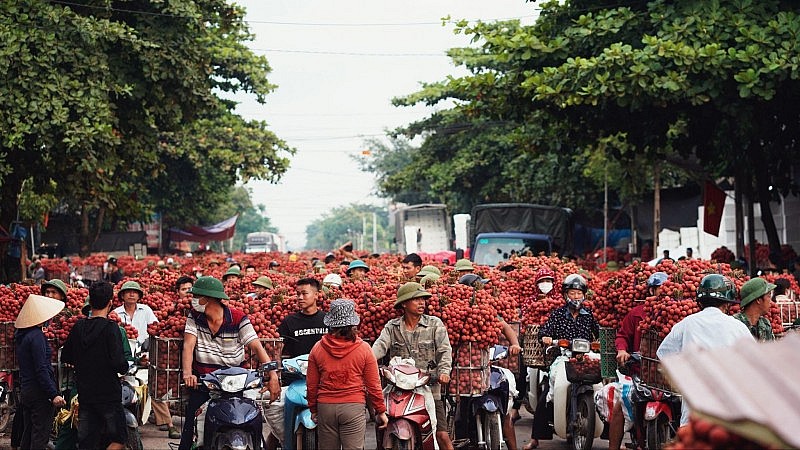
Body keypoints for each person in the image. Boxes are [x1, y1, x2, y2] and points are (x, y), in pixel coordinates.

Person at [178, 276, 280, 450]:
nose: (193, 300)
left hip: (237, 383)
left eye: (196, 297)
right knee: (191, 428)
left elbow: (256, 346)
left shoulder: (238, 319)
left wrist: (272, 374)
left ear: (207, 299)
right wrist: (188, 374)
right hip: (206, 383)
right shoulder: (194, 317)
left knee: (254, 421)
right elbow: (188, 345)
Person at [656, 274, 755, 426]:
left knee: (689, 435)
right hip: (730, 401)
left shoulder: (687, 323)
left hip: (695, 397)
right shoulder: (737, 326)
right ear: (727, 303)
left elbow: (664, 353)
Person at [372, 282, 454, 450]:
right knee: (381, 424)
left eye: (423, 299)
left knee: (441, 435)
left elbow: (445, 351)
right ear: (404, 304)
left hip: (429, 388)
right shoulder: (392, 327)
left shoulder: (434, 324)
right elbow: (378, 348)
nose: (421, 303)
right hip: (398, 390)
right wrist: (366, 360)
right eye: (416, 299)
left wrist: (444, 372)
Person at [527, 274, 599, 450]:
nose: (576, 297)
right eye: (572, 293)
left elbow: (597, 332)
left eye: (579, 293)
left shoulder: (588, 314)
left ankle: (609, 435)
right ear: (566, 294)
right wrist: (545, 337)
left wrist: (602, 341)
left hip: (585, 355)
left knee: (602, 386)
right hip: (563, 356)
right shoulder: (558, 314)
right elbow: (545, 330)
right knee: (550, 391)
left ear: (584, 295)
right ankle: (536, 438)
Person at [600, 271, 668, 450]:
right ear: (652, 291)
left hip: (669, 374)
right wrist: (622, 350)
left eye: (665, 289)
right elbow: (622, 335)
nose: (663, 293)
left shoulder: (676, 315)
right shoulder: (636, 314)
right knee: (619, 407)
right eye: (659, 290)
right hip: (639, 372)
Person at [307, 299, 388, 450]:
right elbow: (373, 385)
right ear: (353, 325)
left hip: (326, 408)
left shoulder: (317, 349)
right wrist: (381, 410)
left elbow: (311, 385)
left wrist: (313, 409)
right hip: (353, 407)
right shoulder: (364, 349)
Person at [61, 281, 130, 450]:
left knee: (87, 442)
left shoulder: (78, 327)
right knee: (119, 439)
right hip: (108, 395)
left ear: (90, 302)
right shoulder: (111, 328)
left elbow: (66, 356)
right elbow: (119, 363)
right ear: (110, 303)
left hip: (85, 394)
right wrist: (125, 367)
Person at [457, 273, 521, 450]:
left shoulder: (487, 311)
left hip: (486, 363)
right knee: (458, 404)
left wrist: (514, 344)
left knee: (505, 400)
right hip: (466, 367)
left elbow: (505, 327)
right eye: (479, 288)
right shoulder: (458, 313)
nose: (483, 291)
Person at [265, 278, 328, 450]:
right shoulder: (289, 322)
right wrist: (275, 372)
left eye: (304, 293)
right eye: (297, 294)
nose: (300, 297)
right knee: (278, 422)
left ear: (316, 295)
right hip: (295, 377)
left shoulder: (327, 320)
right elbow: (277, 350)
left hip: (324, 377)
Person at [112, 281, 179, 438]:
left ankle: (169, 424)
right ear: (122, 295)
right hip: (122, 357)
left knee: (153, 386)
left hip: (144, 354)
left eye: (135, 292)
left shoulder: (146, 310)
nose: (131, 294)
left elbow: (155, 330)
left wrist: (147, 351)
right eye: (128, 292)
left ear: (139, 296)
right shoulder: (115, 313)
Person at [14, 294, 67, 450]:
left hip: (27, 391)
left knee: (28, 433)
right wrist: (53, 394)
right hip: (39, 393)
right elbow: (41, 369)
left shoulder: (23, 336)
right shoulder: (36, 336)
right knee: (39, 436)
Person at [733, 277, 776, 341]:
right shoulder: (735, 323)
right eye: (769, 296)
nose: (771, 301)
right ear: (758, 300)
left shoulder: (765, 324)